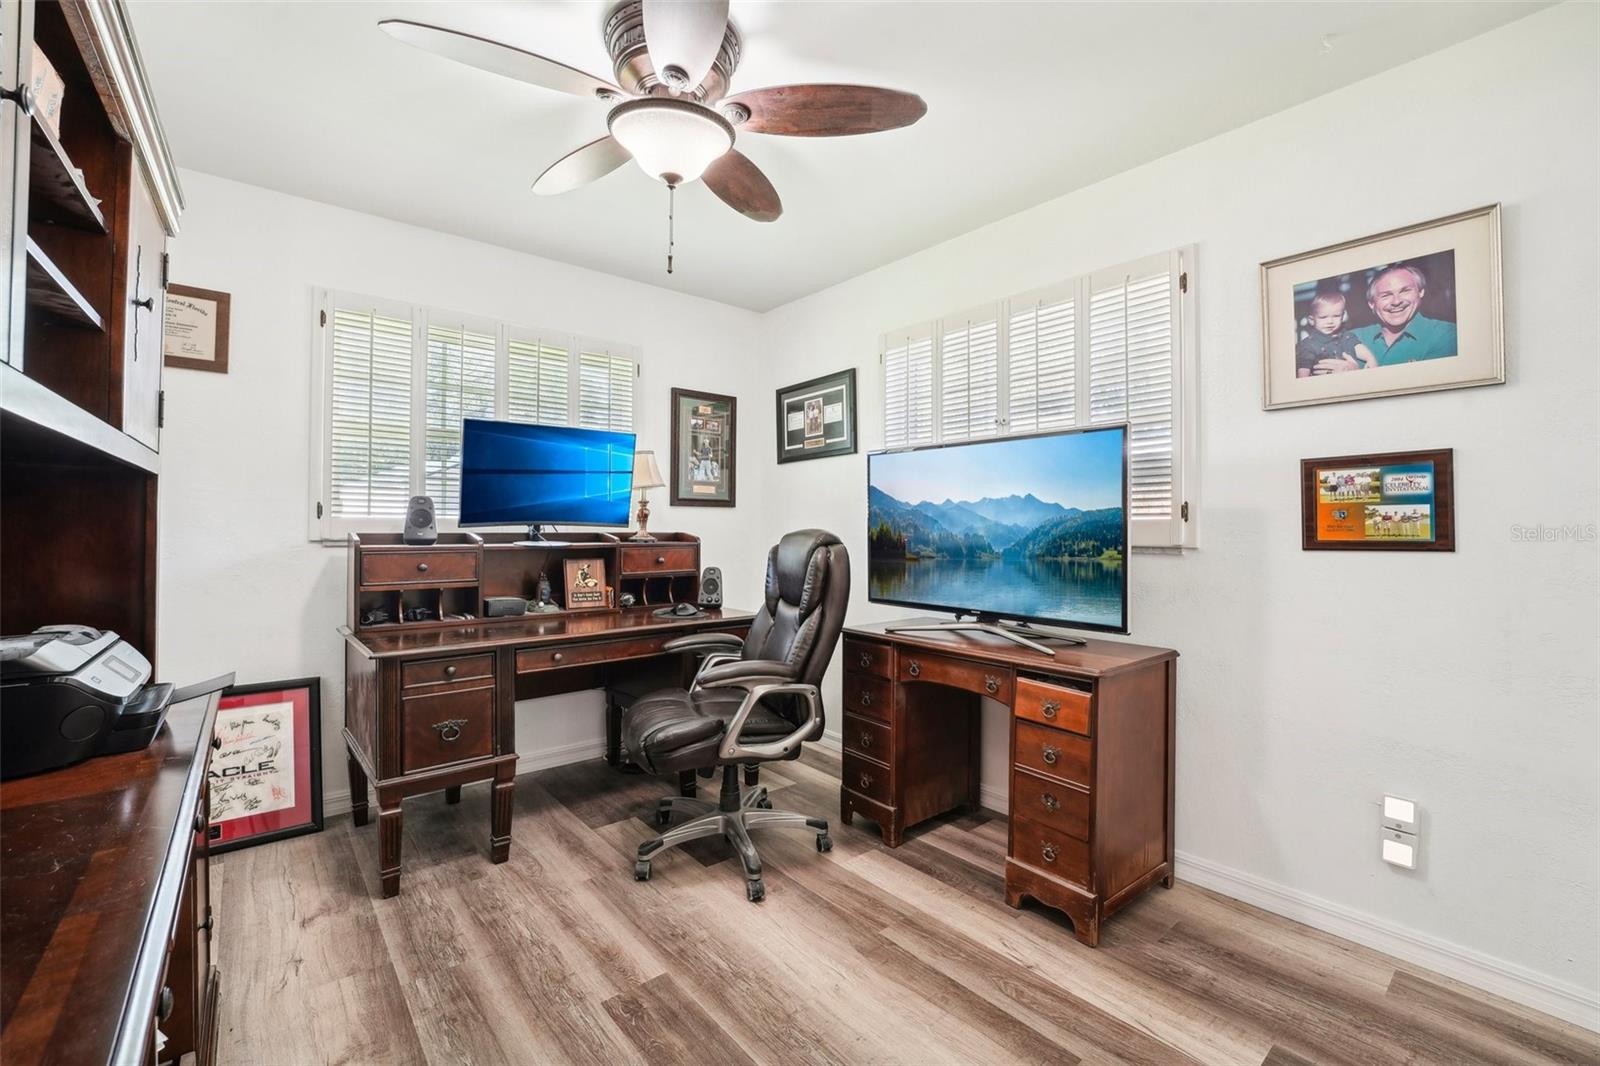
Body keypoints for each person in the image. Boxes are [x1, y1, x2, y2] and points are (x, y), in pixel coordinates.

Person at [1319, 263, 1457, 371]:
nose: (1396, 301)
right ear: (1372, 304)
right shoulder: (1351, 337)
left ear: (1420, 292)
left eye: (1405, 291)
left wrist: (1357, 376)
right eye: (1386, 295)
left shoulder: (1447, 335)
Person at [1297, 292, 1377, 377]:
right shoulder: (1308, 344)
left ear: (1342, 316)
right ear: (1311, 320)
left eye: (1336, 316)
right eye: (1323, 317)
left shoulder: (1347, 337)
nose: (1330, 321)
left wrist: (1371, 360)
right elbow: (1303, 371)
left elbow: (1362, 351)